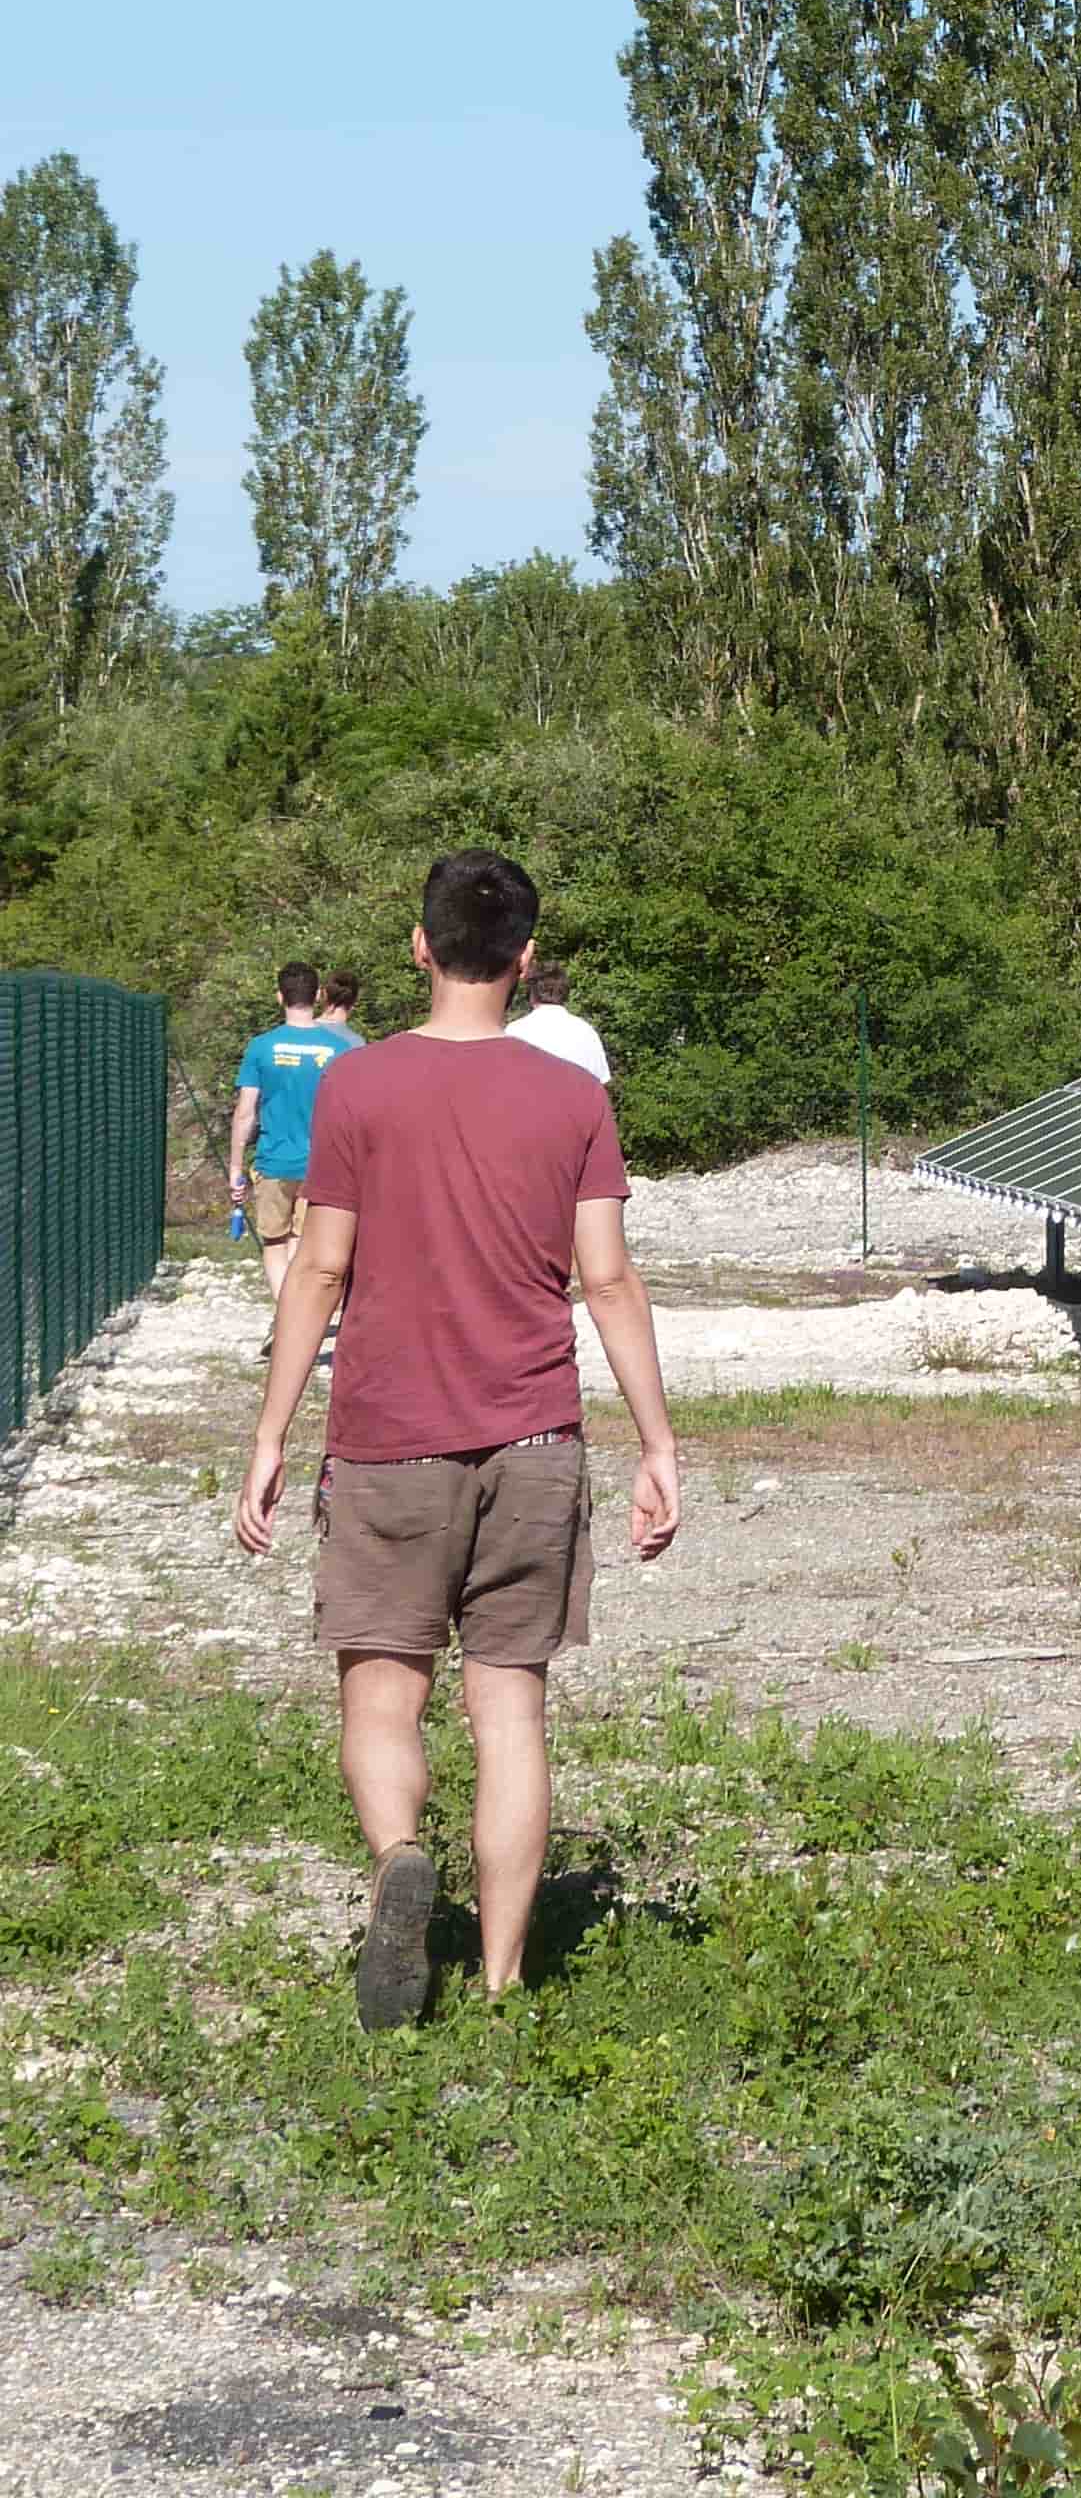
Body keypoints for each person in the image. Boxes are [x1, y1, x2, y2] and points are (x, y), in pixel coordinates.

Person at [231, 849, 681, 2030]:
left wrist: (272, 1432)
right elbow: (609, 1278)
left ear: (418, 949)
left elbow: (321, 1264)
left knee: (382, 1701)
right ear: (526, 960)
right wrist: (658, 1443)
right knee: (511, 1712)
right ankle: (500, 1980)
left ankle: (397, 1863)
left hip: (388, 1442)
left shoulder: (359, 1090)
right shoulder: (572, 1096)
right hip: (532, 1438)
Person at [227, 963, 342, 1308]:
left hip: (273, 1161)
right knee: (301, 1241)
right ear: (319, 995)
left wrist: (235, 1168)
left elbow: (246, 1111)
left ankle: (284, 1313)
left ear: (280, 997)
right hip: (320, 1166)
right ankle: (294, 1315)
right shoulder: (339, 1049)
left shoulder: (261, 1047)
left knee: (274, 1242)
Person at [508, 959, 609, 1085]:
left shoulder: (514, 1032)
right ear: (565, 993)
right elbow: (601, 1083)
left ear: (532, 993)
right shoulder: (587, 1032)